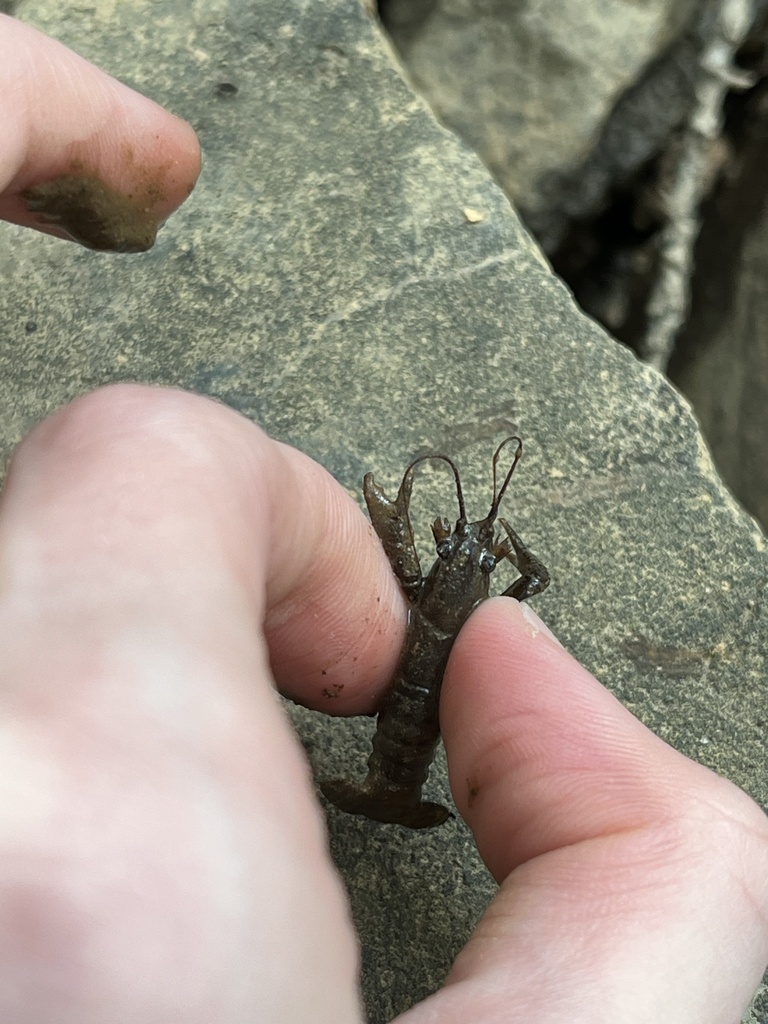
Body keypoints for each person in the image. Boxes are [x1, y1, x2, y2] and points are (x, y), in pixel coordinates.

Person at [1, 12, 767, 1023]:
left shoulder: (430, 597)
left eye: (467, 550)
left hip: (407, 719)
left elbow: (469, 585)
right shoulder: (460, 591)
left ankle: (386, 777)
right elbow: (512, 586)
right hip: (416, 709)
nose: (461, 548)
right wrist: (493, 563)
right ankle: (385, 774)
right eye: (467, 547)